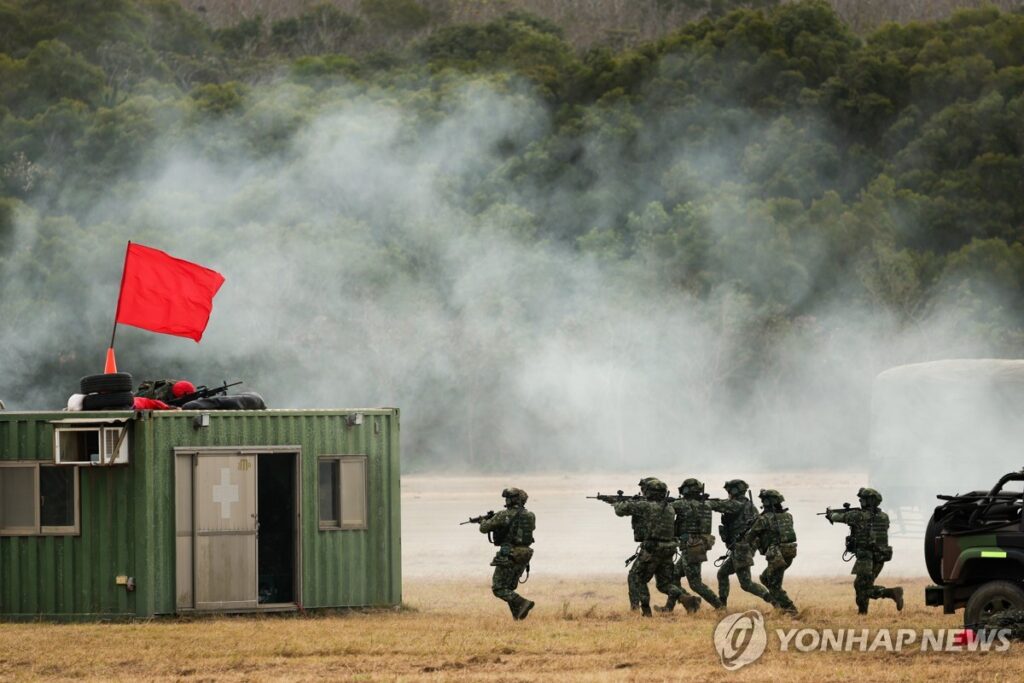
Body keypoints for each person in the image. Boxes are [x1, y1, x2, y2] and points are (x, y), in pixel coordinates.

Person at [614, 478, 700, 616]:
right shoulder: (670, 508)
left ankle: (642, 610)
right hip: (668, 549)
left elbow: (620, 511)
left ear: (649, 492)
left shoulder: (646, 506)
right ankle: (686, 599)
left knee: (636, 577)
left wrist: (618, 502)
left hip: (652, 549)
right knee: (664, 584)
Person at [826, 487, 903, 614]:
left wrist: (830, 514)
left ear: (870, 501)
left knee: (862, 588)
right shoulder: (884, 517)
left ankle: (891, 593)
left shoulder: (858, 515)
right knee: (864, 585)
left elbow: (837, 517)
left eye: (863, 499)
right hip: (881, 555)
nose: (861, 501)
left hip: (866, 556)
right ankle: (863, 613)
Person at [708, 479, 773, 608]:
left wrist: (702, 502)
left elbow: (718, 505)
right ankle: (721, 605)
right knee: (722, 573)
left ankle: (774, 600)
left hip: (742, 548)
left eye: (729, 490)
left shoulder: (736, 504)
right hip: (742, 548)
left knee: (746, 584)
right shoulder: (750, 506)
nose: (728, 493)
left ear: (735, 490)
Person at [478, 487, 536, 620]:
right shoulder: (531, 515)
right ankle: (518, 614)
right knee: (509, 587)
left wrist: (483, 521)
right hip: (525, 554)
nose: (506, 500)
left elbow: (484, 528)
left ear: (513, 500)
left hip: (509, 554)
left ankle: (523, 603)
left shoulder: (503, 514)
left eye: (508, 498)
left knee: (499, 588)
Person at [668, 478, 723, 610]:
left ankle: (719, 606)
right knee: (674, 575)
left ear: (687, 490)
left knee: (695, 584)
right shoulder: (707, 504)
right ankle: (674, 606)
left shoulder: (682, 504)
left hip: (691, 546)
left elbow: (666, 507)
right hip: (697, 544)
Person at [744, 489, 798, 614]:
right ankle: (780, 607)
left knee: (773, 584)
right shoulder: (788, 516)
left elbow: (749, 537)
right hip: (789, 553)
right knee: (766, 578)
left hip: (776, 556)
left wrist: (753, 524)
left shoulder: (764, 519)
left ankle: (791, 610)